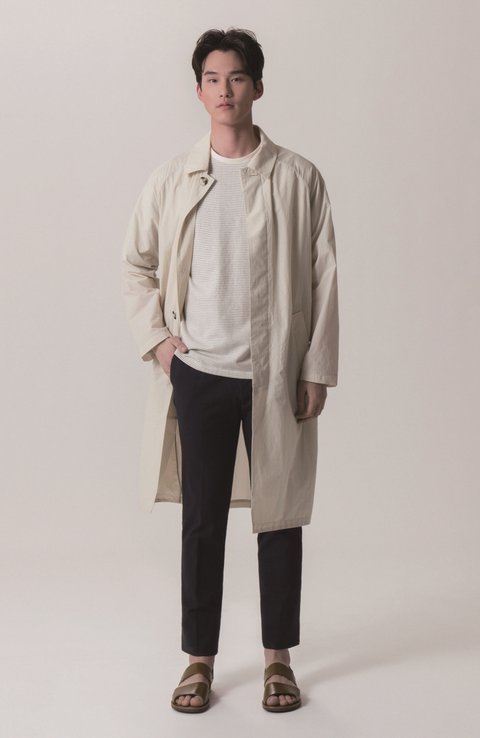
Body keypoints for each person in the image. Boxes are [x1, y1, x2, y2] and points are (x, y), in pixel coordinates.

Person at [121, 27, 339, 714]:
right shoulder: (174, 179)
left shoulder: (299, 178)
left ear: (257, 87)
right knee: (202, 521)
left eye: (237, 77)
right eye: (213, 79)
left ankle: (278, 660)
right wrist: (162, 345)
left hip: (275, 374)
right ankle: (198, 659)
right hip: (200, 373)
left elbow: (324, 278)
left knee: (280, 517)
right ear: (199, 91)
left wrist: (316, 367)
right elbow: (136, 265)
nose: (225, 90)